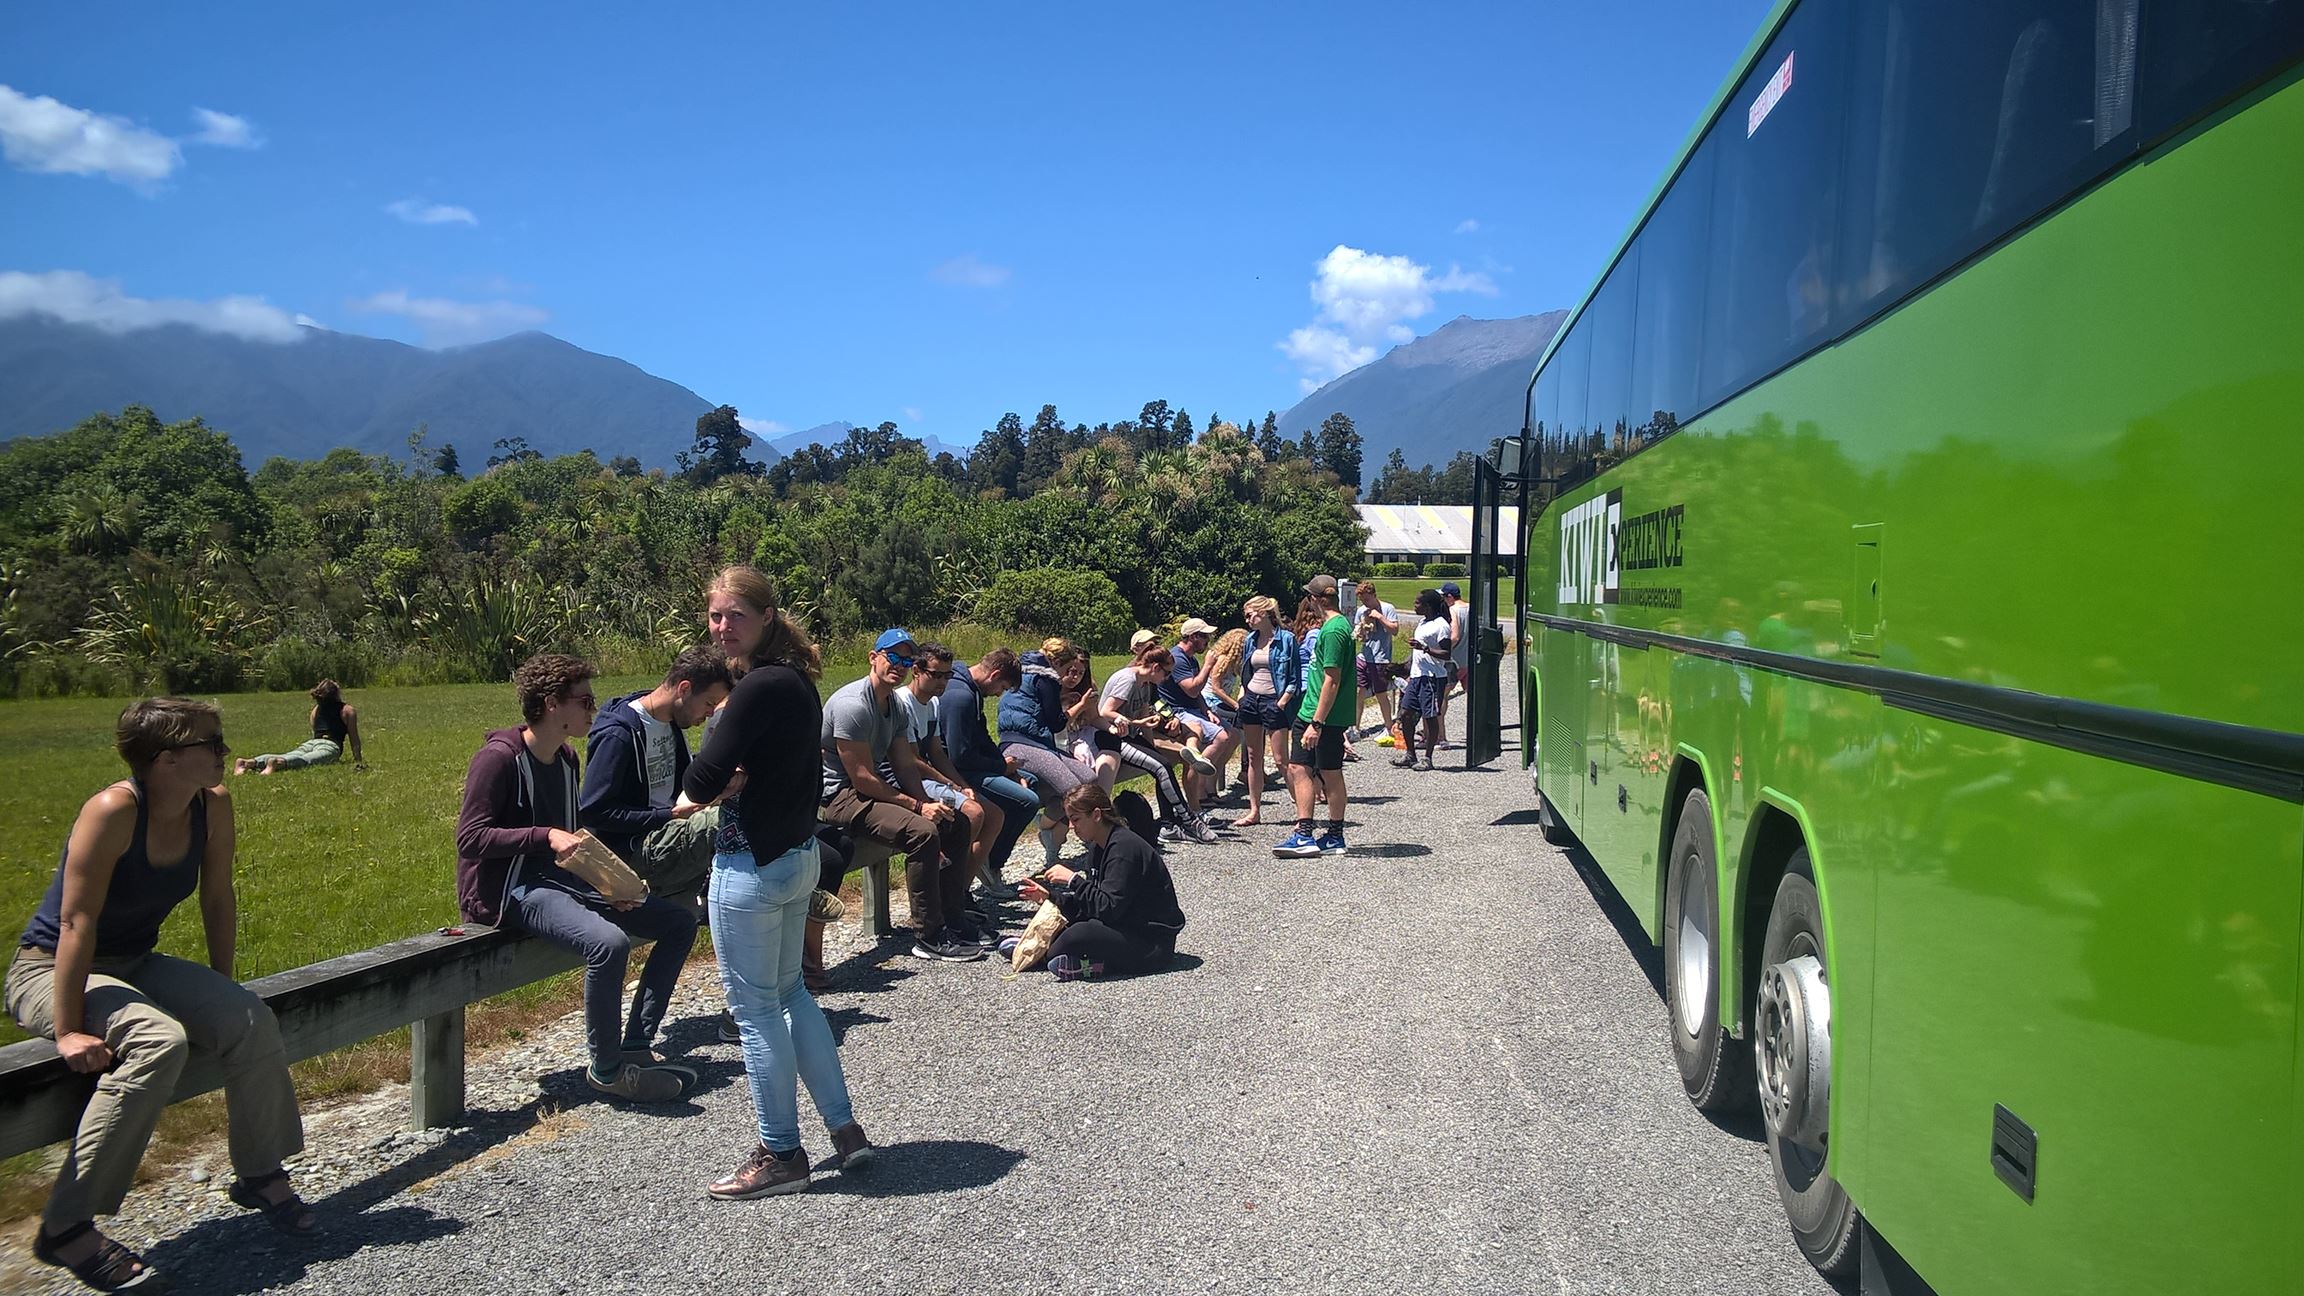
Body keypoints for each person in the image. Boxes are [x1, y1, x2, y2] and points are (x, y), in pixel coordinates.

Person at [9, 698, 317, 1292]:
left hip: (134, 962)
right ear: (167, 758)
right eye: (212, 743)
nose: (225, 752)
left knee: (249, 1020)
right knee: (159, 1040)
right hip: (50, 969)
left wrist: (223, 986)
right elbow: (76, 924)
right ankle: (67, 1225)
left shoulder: (213, 805)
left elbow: (217, 896)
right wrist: (70, 1028)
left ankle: (258, 1173)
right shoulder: (112, 810)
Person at [684, 565, 873, 1198]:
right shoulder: (796, 680)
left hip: (751, 866)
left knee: (755, 1010)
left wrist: (722, 774)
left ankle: (781, 1153)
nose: (722, 626)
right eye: (715, 615)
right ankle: (845, 1133)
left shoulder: (759, 687)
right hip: (797, 857)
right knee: (793, 995)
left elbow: (701, 780)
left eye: (735, 614)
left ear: (766, 618)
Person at [455, 653, 701, 1104]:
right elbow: (471, 838)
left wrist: (611, 886)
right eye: (585, 701)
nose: (593, 710)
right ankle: (607, 1070)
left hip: (559, 881)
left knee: (678, 922)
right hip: (509, 890)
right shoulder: (498, 760)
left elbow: (575, 842)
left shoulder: (567, 758)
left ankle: (636, 1045)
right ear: (551, 703)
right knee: (608, 944)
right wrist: (545, 835)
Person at [818, 629, 986, 962]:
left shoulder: (894, 705)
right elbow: (862, 778)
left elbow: (904, 764)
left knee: (956, 822)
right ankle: (928, 935)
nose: (899, 665)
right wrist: (916, 808)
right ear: (873, 657)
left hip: (871, 789)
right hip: (839, 795)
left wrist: (929, 804)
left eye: (906, 660)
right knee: (921, 833)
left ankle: (953, 918)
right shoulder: (853, 704)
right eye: (892, 657)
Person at [579, 646, 735, 916]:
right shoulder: (619, 734)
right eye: (709, 703)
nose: (710, 714)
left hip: (669, 834)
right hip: (632, 849)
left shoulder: (671, 724)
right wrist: (669, 814)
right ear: (684, 688)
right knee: (721, 822)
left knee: (744, 807)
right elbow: (594, 812)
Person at [1018, 784, 1187, 981]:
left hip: (1150, 944)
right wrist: (1051, 897)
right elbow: (1092, 905)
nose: (1072, 827)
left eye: (1076, 819)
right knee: (1073, 927)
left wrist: (1073, 880)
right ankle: (1048, 953)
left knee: (1078, 934)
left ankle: (1042, 956)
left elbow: (1108, 908)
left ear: (1097, 815)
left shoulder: (1124, 849)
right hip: (1125, 926)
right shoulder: (1098, 848)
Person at [890, 643, 1001, 900]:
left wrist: (961, 785)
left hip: (928, 776)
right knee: (973, 813)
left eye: (947, 675)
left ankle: (960, 888)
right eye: (936, 675)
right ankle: (946, 893)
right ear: (916, 671)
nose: (943, 682)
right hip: (907, 779)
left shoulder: (933, 704)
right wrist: (950, 785)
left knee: (994, 815)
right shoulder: (902, 703)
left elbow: (937, 753)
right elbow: (911, 759)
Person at [933, 646, 1040, 896]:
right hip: (956, 771)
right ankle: (991, 862)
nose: (997, 694)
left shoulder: (971, 690)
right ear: (995, 675)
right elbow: (960, 755)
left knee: (1030, 781)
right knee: (1027, 800)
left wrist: (1007, 767)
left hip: (972, 765)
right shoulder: (961, 697)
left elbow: (981, 738)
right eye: (1001, 688)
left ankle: (985, 855)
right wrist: (1001, 767)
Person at [1098, 643, 1219, 844]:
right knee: (1161, 767)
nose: (1167, 678)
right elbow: (1105, 712)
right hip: (1111, 738)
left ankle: (1169, 824)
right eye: (1166, 673)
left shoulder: (1146, 683)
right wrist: (1133, 723)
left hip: (1130, 735)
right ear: (1155, 668)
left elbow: (1145, 716)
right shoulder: (1128, 679)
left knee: (1165, 762)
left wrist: (1152, 746)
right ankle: (1189, 819)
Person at [998, 637, 1104, 864]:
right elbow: (1056, 723)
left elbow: (1039, 712)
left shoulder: (1025, 669)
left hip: (1037, 741)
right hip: (1021, 743)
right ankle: (1095, 843)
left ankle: (1045, 827)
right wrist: (1081, 705)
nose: (1068, 675)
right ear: (1058, 663)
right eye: (1068, 669)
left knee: (1089, 777)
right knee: (1074, 789)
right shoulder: (1046, 677)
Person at [1275, 575, 1354, 859]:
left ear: (1317, 599)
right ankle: (1332, 835)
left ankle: (1305, 833)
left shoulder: (1332, 631)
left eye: (1309, 597)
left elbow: (1331, 679)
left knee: (1303, 769)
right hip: (1325, 714)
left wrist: (1316, 723)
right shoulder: (1339, 626)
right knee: (1322, 770)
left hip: (1317, 715)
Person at [1231, 597, 1298, 828]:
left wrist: (1283, 702)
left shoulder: (1287, 639)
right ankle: (1254, 810)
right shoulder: (1250, 640)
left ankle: (1301, 810)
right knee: (1253, 758)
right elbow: (1246, 671)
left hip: (1273, 701)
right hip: (1251, 700)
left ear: (1265, 613)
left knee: (1281, 760)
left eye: (1251, 614)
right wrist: (1242, 693)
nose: (1248, 620)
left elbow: (1293, 678)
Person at [1156, 617, 1236, 786]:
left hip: (1193, 709)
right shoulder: (1177, 659)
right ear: (1193, 637)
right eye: (1204, 636)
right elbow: (1192, 689)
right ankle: (1197, 785)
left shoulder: (1190, 659)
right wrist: (1207, 665)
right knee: (1221, 737)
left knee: (1229, 731)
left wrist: (1207, 711)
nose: (1208, 641)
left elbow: (1197, 694)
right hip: (1178, 712)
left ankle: (1207, 787)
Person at [234, 679, 363, 774]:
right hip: (331, 746)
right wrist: (358, 760)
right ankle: (278, 763)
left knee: (292, 753)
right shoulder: (347, 710)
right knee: (306, 760)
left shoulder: (316, 710)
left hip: (312, 742)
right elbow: (354, 738)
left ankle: (249, 762)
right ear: (336, 693)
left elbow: (314, 727)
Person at [1395, 589, 1455, 772]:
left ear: (1428, 606)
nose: (1415, 606)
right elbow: (1417, 654)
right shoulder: (1422, 622)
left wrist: (1425, 648)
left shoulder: (1441, 625)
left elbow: (1446, 653)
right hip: (1417, 676)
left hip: (1432, 678)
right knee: (1405, 714)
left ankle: (1428, 758)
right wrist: (1401, 667)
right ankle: (1410, 755)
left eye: (1417, 603)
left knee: (1430, 717)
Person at [1351, 582, 1401, 743]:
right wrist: (1361, 629)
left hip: (1381, 657)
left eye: (1367, 599)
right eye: (1362, 600)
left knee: (1380, 693)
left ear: (1373, 595)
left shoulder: (1387, 608)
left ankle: (1388, 727)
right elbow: (1361, 635)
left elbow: (1394, 630)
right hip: (1364, 656)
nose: (1365, 603)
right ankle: (1355, 728)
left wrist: (1379, 617)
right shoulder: (1361, 611)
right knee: (1358, 691)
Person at [1437, 581, 1471, 749]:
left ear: (1449, 597)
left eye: (1443, 596)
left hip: (1453, 661)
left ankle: (1441, 736)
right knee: (1473, 700)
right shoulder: (1472, 608)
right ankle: (1476, 734)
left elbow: (1455, 636)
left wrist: (1440, 650)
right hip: (1469, 660)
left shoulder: (1452, 610)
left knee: (1441, 696)